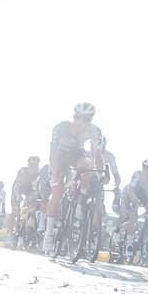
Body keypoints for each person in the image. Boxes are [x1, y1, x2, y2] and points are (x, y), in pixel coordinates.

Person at [45, 102, 107, 254]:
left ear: (90, 121)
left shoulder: (95, 131)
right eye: (77, 117)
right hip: (60, 155)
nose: (81, 122)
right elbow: (53, 152)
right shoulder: (61, 128)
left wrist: (100, 173)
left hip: (76, 154)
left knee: (87, 166)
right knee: (57, 192)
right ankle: (48, 234)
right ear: (73, 117)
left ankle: (80, 202)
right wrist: (55, 170)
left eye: (86, 119)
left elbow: (98, 155)